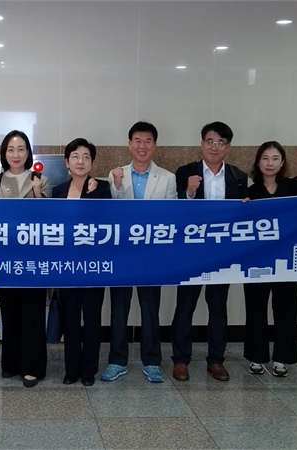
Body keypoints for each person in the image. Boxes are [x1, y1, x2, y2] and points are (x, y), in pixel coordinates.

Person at [171, 121, 249, 382]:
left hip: (222, 254)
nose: (214, 147)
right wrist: (189, 192)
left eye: (220, 143)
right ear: (201, 144)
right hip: (191, 253)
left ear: (228, 147)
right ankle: (180, 360)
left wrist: (247, 208)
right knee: (185, 306)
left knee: (218, 307)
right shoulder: (185, 172)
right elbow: (174, 211)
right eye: (210, 141)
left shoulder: (238, 177)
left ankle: (215, 360)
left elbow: (244, 216)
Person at [101, 121, 177, 384]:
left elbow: (171, 218)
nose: (142, 146)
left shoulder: (167, 178)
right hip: (121, 254)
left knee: (150, 308)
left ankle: (152, 362)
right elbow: (111, 213)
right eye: (137, 140)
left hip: (151, 255)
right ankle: (117, 361)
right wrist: (117, 185)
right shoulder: (116, 174)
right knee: (119, 308)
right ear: (129, 144)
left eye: (147, 141)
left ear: (154, 145)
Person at [243, 141, 297, 377]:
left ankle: (282, 358)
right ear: (258, 162)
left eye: (275, 158)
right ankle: (256, 357)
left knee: (286, 309)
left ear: (282, 162)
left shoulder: (292, 185)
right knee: (255, 308)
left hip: (288, 259)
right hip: (257, 259)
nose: (270, 163)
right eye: (265, 158)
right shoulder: (251, 191)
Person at [0, 130, 51, 388]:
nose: (16, 154)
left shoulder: (41, 180)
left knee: (32, 311)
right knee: (9, 309)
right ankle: (11, 363)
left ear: (28, 152)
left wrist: (38, 194)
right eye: (11, 149)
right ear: (4, 153)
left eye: (21, 149)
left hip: (33, 258)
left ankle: (32, 366)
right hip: (5, 257)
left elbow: (50, 219)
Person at [52, 138, 111, 386]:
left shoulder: (102, 189)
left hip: (93, 266)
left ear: (92, 162)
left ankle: (88, 370)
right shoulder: (58, 191)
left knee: (92, 319)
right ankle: (71, 369)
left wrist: (92, 196)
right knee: (71, 319)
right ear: (67, 162)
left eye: (86, 156)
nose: (80, 161)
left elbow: (106, 223)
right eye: (75, 156)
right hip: (67, 266)